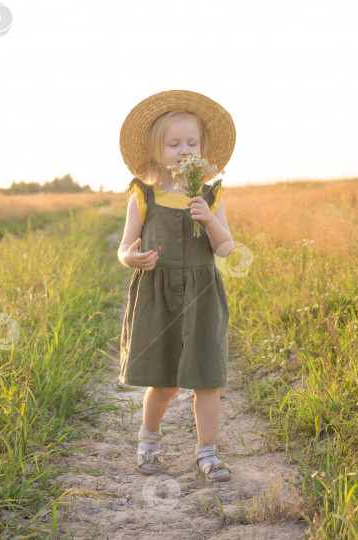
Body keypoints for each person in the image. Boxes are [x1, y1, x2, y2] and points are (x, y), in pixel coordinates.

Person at [117, 89, 235, 482]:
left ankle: (208, 453)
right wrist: (131, 258)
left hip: (202, 295)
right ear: (157, 149)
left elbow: (226, 248)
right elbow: (123, 248)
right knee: (163, 382)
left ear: (202, 149)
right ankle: (149, 441)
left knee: (207, 378)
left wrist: (209, 219)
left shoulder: (209, 196)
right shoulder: (144, 195)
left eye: (192, 142)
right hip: (158, 296)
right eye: (174, 143)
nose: (184, 150)